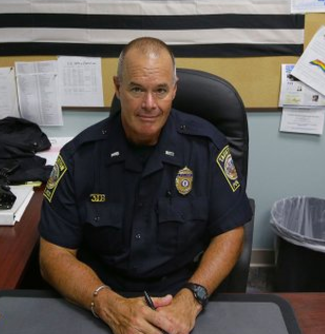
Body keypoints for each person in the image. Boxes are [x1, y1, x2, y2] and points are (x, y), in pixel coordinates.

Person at [39, 37, 252, 334]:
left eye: (161, 90)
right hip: (101, 301)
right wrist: (109, 306)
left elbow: (230, 232)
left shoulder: (207, 148)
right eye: (137, 89)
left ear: (174, 90)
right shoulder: (80, 158)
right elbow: (53, 254)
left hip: (183, 301)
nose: (149, 104)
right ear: (118, 87)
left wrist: (192, 299)